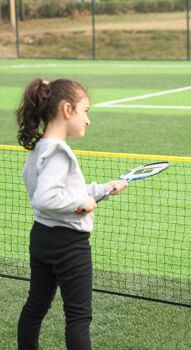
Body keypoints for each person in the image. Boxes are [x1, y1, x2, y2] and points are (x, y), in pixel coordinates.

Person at [16, 78, 128, 349]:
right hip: (68, 245)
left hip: (42, 238)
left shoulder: (40, 149)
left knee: (35, 306)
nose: (87, 120)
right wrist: (84, 201)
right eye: (85, 110)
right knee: (78, 317)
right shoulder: (59, 152)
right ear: (68, 110)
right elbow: (47, 197)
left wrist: (103, 189)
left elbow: (61, 191)